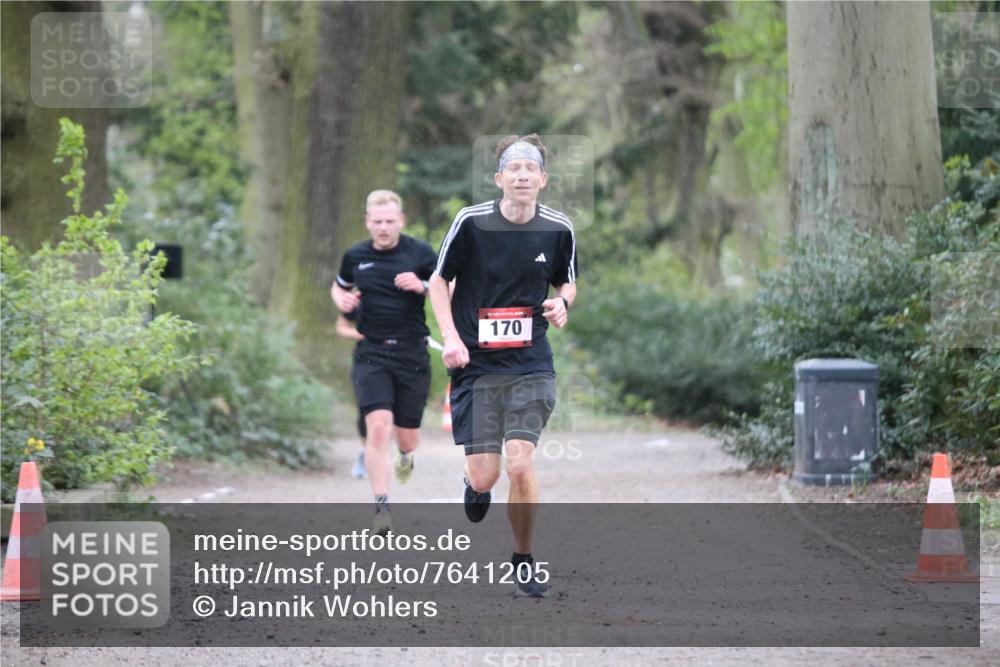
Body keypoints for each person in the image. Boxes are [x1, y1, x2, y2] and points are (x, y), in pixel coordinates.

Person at [428, 134, 577, 598]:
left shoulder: (559, 229)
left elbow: (566, 283)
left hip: (531, 363)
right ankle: (473, 485)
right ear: (499, 179)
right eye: (513, 169)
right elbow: (438, 281)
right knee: (487, 475)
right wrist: (451, 338)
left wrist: (561, 305)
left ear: (543, 179)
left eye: (530, 170)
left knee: (520, 465)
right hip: (475, 365)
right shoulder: (471, 223)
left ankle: (524, 559)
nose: (522, 176)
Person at [331, 189, 438, 535]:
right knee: (378, 426)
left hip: (411, 352)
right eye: (377, 222)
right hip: (371, 352)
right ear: (367, 222)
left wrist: (421, 285)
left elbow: (449, 288)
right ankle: (382, 507)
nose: (383, 228)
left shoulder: (420, 252)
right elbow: (339, 286)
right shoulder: (355, 256)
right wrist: (343, 301)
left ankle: (406, 457)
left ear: (401, 221)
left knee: (407, 438)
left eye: (390, 221)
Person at [334, 309, 369, 479]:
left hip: (404, 361)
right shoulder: (359, 298)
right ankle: (365, 452)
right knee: (366, 408)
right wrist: (362, 334)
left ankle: (403, 450)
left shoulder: (408, 291)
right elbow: (341, 326)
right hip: (367, 361)